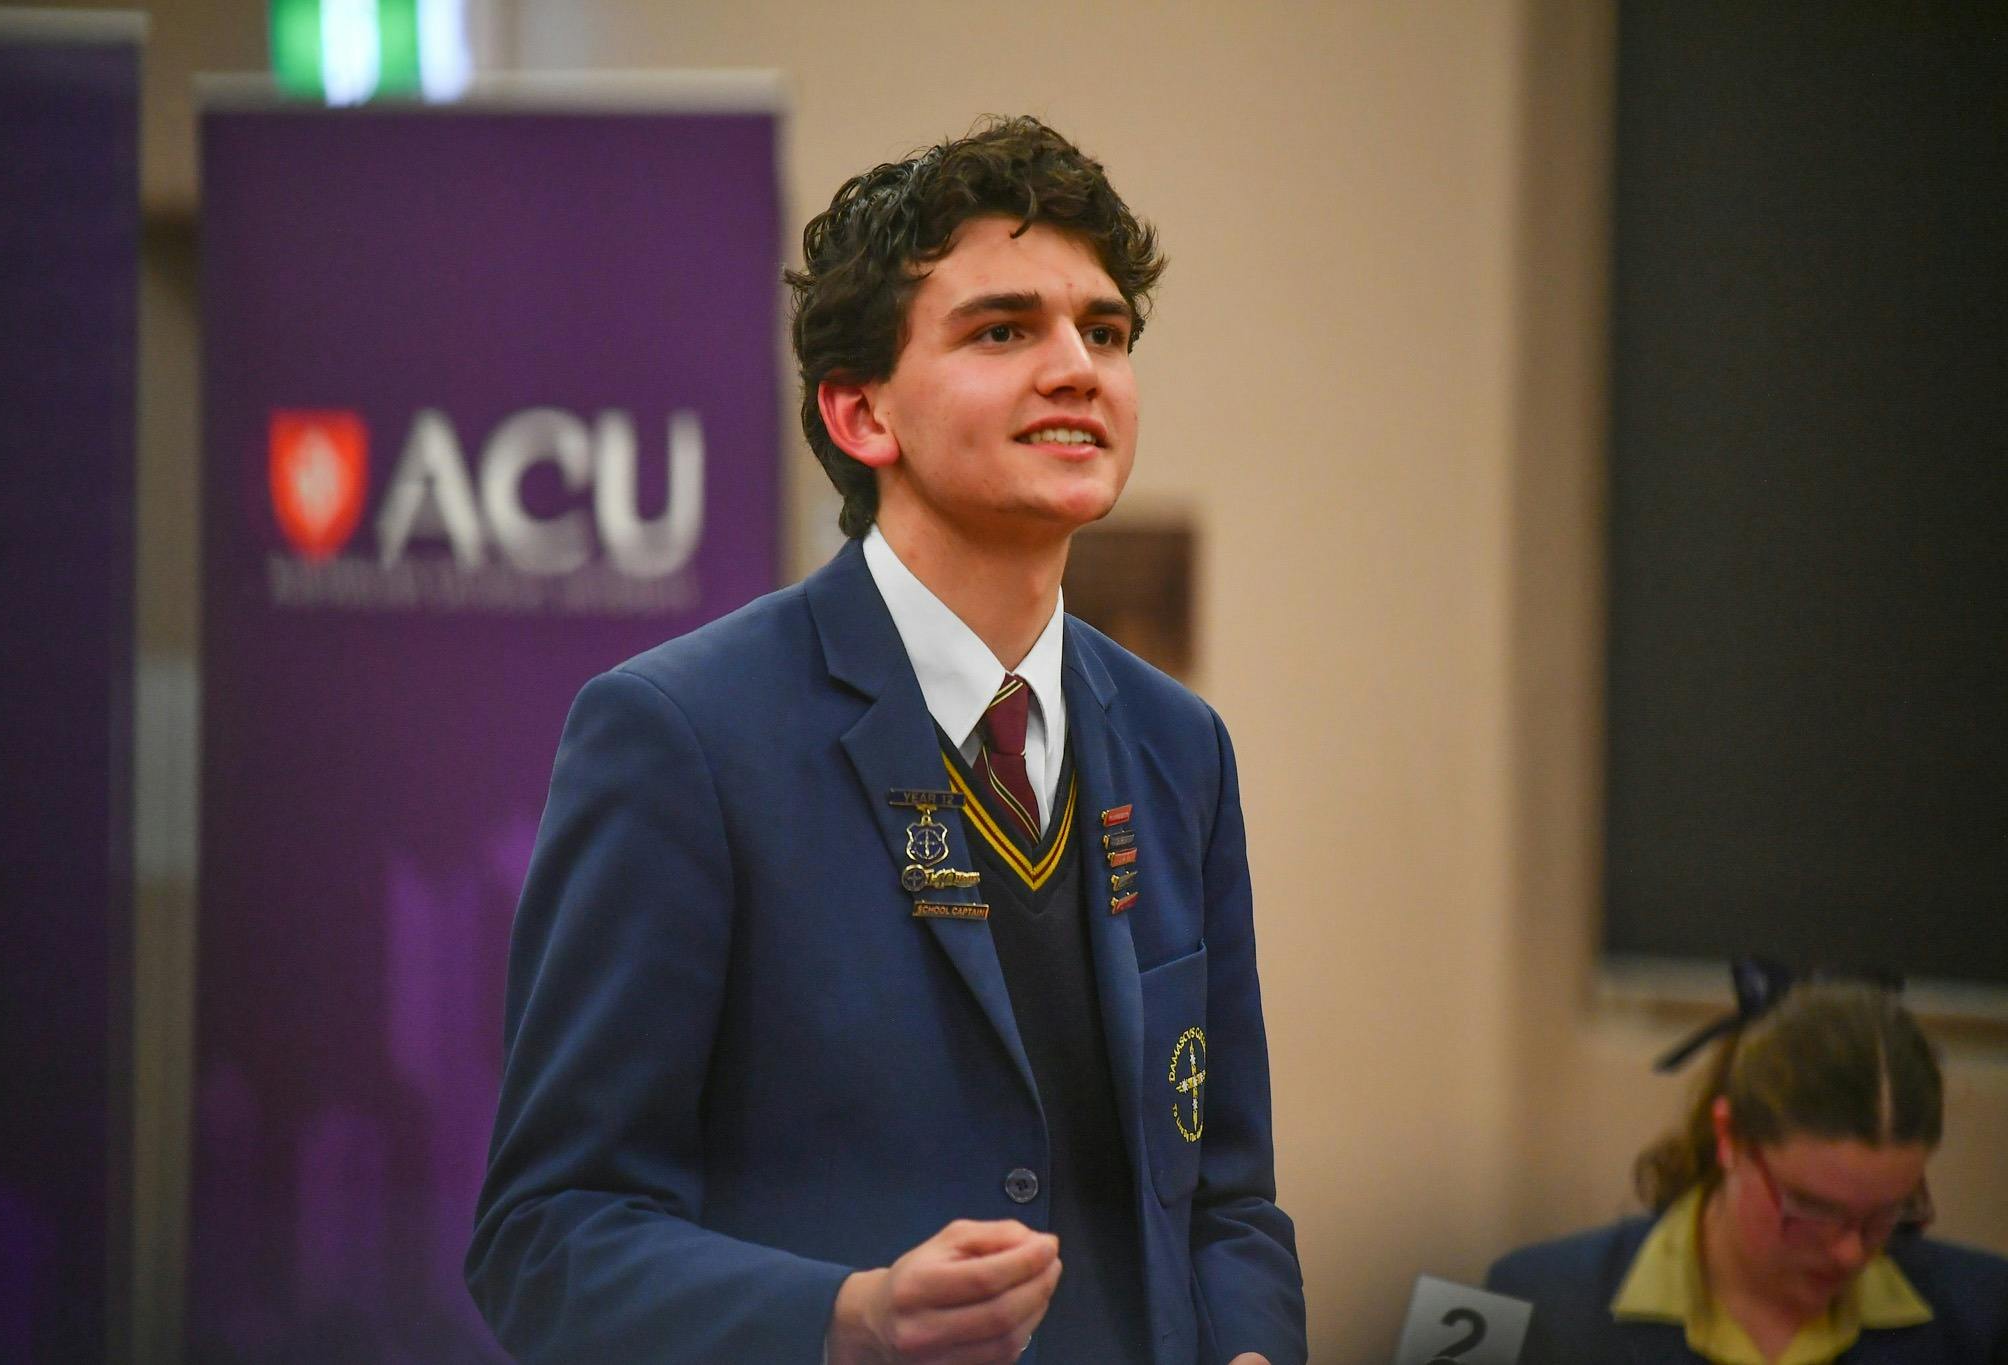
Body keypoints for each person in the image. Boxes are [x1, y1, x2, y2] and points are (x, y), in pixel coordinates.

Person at [465, 115, 1306, 1365]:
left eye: (1106, 331)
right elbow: (546, 1237)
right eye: (1004, 329)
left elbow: (1226, 1202)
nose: (1078, 366)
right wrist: (844, 1319)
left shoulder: (1184, 749)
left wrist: (1248, 1347)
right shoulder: (681, 737)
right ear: (860, 413)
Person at [1486, 962, 2008, 1364]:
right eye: (1812, 1208)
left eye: (1887, 1214)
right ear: (1729, 1137)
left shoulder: (1988, 1316)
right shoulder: (1510, 1295)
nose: (1850, 1252)